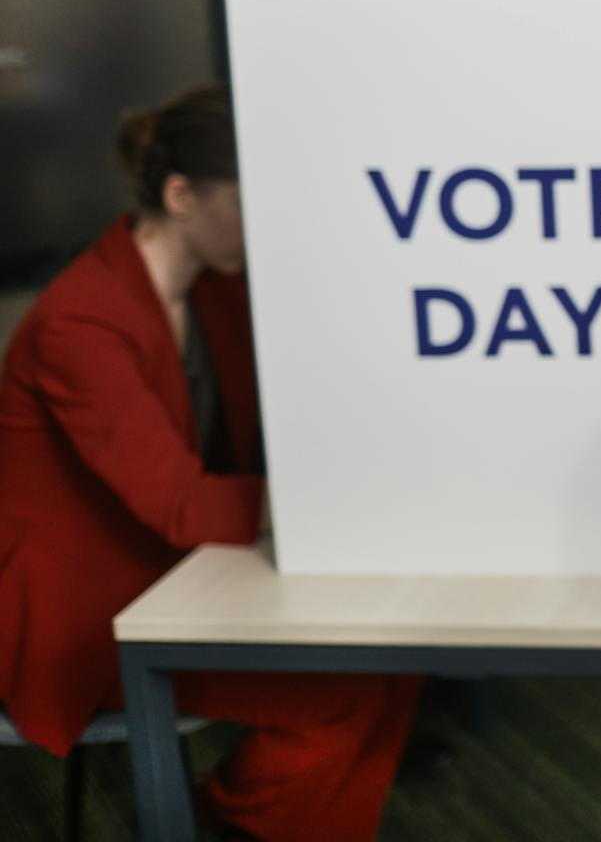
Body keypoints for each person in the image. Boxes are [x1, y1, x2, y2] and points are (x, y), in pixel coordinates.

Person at [0, 85, 421, 841]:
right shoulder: (80, 321)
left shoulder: (213, 290)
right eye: (251, 204)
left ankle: (242, 824)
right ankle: (222, 826)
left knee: (394, 659)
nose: (266, 230)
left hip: (169, 568)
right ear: (181, 195)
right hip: (89, 609)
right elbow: (181, 504)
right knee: (347, 689)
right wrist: (334, 499)